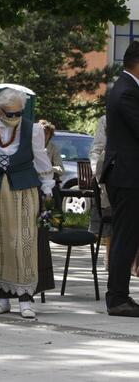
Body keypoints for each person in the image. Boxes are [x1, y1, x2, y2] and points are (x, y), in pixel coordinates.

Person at [0, 89, 55, 319]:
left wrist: (47, 187)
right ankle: (2, 297)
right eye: (10, 113)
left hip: (24, 190)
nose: (15, 117)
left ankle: (26, 298)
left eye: (19, 112)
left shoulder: (34, 130)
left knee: (23, 242)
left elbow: (41, 160)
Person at [100, 40, 139, 317]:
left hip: (126, 173)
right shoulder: (127, 92)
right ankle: (117, 298)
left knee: (127, 236)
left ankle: (119, 295)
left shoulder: (125, 87)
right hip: (127, 175)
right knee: (125, 237)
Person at [88, 115, 112, 270]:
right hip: (110, 175)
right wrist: (98, 174)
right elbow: (96, 150)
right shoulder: (106, 120)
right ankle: (110, 258)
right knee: (110, 216)